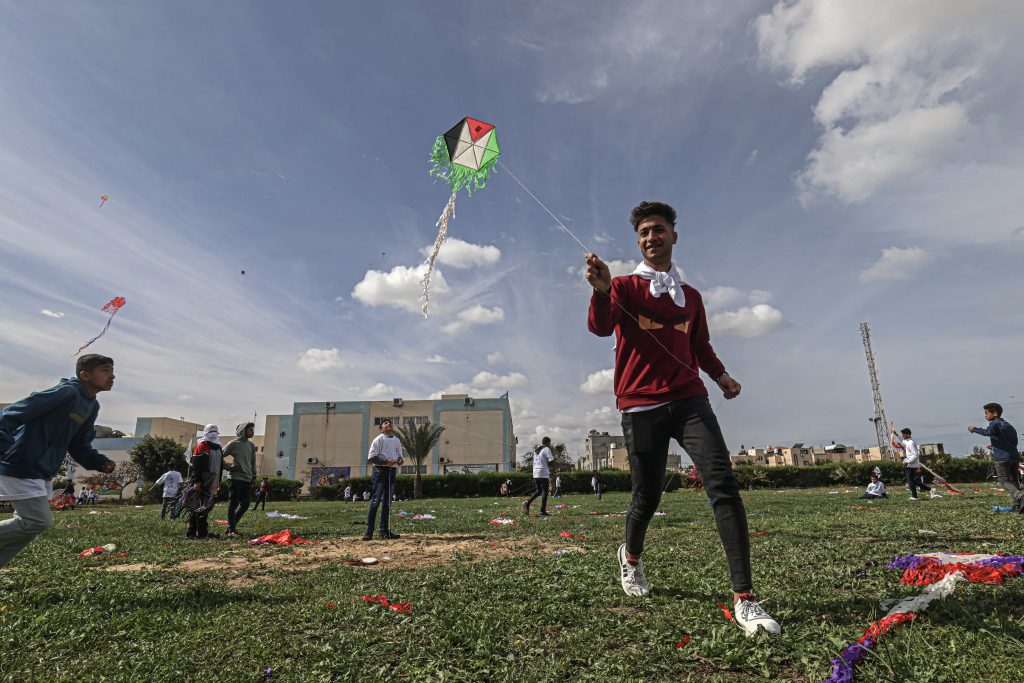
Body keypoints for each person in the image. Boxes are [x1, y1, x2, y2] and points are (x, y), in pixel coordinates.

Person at [584, 201, 780, 636]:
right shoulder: (623, 287)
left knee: (723, 483)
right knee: (647, 496)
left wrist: (722, 377)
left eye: (658, 230)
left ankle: (744, 598)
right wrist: (600, 290)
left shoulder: (690, 297)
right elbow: (600, 328)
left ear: (674, 235)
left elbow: (700, 345)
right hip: (640, 405)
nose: (651, 238)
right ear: (638, 241)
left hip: (691, 399)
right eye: (643, 233)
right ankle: (630, 557)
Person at [0, 354, 117, 568]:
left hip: (43, 470)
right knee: (37, 521)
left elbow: (79, 444)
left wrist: (99, 462)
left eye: (111, 370)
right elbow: (13, 413)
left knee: (30, 528)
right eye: (105, 370)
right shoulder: (67, 392)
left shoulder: (91, 406)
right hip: (21, 462)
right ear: (85, 375)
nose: (112, 376)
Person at [969, 403, 1020, 511]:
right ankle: (1018, 506)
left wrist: (974, 429)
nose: (985, 416)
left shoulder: (994, 424)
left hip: (1002, 459)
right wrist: (995, 445)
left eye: (987, 413)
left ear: (995, 413)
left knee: (1004, 481)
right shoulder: (1008, 425)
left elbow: (988, 432)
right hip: (1014, 457)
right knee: (1014, 482)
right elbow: (1013, 441)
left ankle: (1019, 495)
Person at [363, 419, 403, 541]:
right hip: (380, 471)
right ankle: (369, 532)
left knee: (387, 503)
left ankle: (384, 530)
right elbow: (371, 458)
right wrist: (386, 462)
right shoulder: (378, 439)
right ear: (381, 428)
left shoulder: (397, 440)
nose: (388, 424)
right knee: (375, 501)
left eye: (389, 422)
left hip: (392, 472)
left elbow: (399, 454)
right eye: (385, 423)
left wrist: (400, 460)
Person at [186, 425, 224, 539]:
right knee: (198, 507)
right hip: (202, 482)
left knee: (205, 507)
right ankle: (195, 533)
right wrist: (196, 481)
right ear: (206, 433)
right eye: (210, 431)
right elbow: (196, 465)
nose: (213, 434)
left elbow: (220, 466)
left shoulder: (218, 448)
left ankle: (201, 532)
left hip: (213, 482)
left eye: (215, 431)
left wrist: (219, 482)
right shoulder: (201, 446)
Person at [223, 422, 257, 537]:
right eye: (250, 430)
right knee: (233, 503)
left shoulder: (251, 445)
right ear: (243, 430)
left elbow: (253, 462)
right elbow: (219, 455)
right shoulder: (233, 443)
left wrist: (254, 476)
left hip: (247, 479)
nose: (253, 432)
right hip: (235, 478)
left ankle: (230, 527)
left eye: (253, 430)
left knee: (245, 504)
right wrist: (228, 467)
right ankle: (232, 529)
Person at [894, 428, 934, 500]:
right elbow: (902, 440)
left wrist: (907, 462)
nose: (902, 435)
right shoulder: (907, 442)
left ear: (908, 434)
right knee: (912, 481)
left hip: (912, 465)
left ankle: (915, 496)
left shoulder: (911, 443)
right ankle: (929, 490)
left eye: (903, 434)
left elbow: (916, 455)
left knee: (910, 481)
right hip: (910, 464)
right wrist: (896, 434)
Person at [524, 438, 554, 517]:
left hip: (536, 473)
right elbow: (551, 460)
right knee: (545, 491)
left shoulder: (536, 451)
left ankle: (527, 503)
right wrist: (550, 465)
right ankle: (542, 511)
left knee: (539, 490)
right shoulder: (546, 449)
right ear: (548, 443)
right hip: (543, 472)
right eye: (550, 443)